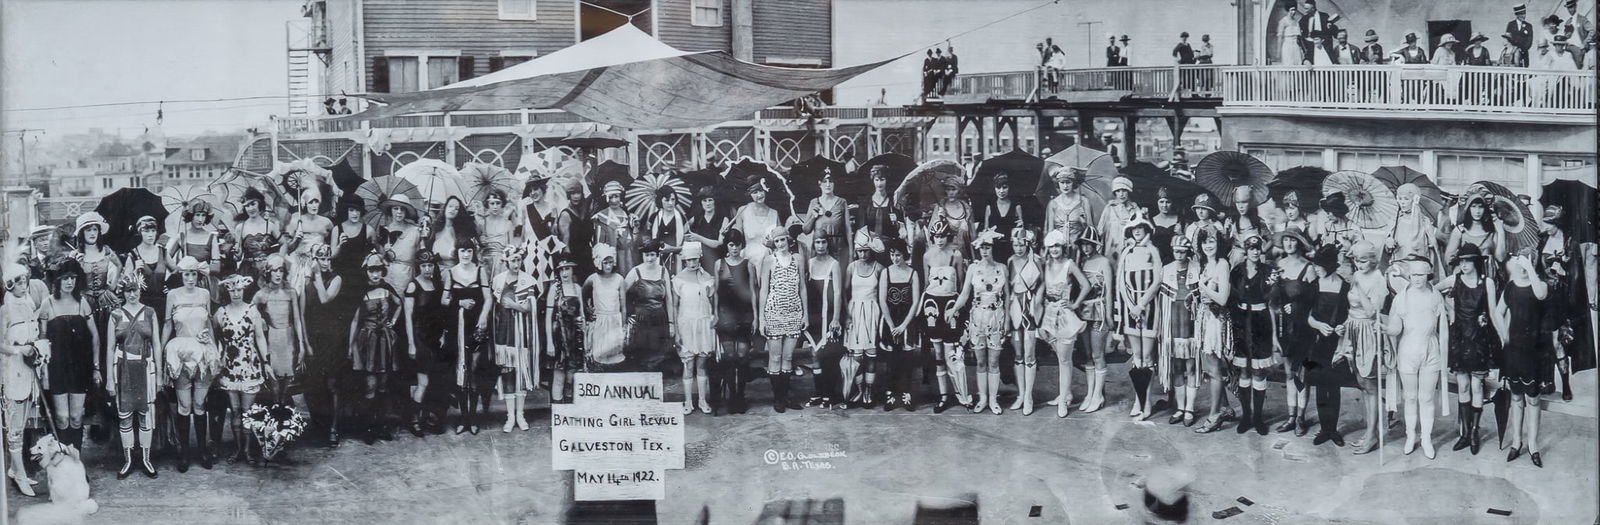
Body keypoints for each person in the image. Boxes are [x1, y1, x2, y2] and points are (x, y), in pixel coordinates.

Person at [1436, 244, 1499, 455]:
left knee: (1477, 386)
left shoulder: (1487, 283)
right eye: (1461, 261)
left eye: (1467, 261)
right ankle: (1464, 434)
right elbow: (1433, 290)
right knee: (1463, 386)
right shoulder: (1454, 280)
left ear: (1476, 262)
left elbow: (1493, 312)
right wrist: (1449, 308)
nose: (1463, 265)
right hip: (1460, 338)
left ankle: (1474, 432)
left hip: (1479, 340)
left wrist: (1502, 336)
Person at [1385, 257, 1449, 459]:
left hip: (1431, 349)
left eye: (1422, 274)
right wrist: (1384, 328)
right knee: (1410, 397)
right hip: (1408, 351)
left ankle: (1427, 438)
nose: (1417, 278)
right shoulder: (1401, 298)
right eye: (1413, 275)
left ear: (1428, 274)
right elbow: (1396, 328)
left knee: (1427, 397)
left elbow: (1443, 326)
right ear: (1409, 275)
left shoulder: (1435, 296)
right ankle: (1410, 436)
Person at [165, 256, 218, 472]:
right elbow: (168, 324)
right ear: (181, 275)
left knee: (199, 404)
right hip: (180, 350)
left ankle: (202, 450)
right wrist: (162, 352)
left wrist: (214, 349)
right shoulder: (173, 295)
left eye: (193, 274)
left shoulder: (205, 294)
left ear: (198, 275)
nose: (190, 278)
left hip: (202, 350)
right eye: (186, 274)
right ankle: (184, 452)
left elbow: (209, 324)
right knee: (184, 405)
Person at [41, 259, 99, 452]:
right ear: (57, 280)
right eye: (65, 278)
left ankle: (76, 463)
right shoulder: (47, 304)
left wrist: (96, 367)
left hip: (79, 369)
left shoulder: (82, 303)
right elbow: (41, 343)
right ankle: (63, 463)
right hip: (56, 369)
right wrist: (45, 374)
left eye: (73, 278)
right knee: (62, 418)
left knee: (76, 418)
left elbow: (95, 337)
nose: (69, 282)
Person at [107, 271, 160, 478]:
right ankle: (128, 460)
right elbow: (110, 348)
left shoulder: (150, 312)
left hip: (146, 368)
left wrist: (160, 376)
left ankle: (146, 459)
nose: (132, 295)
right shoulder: (115, 315)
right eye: (128, 291)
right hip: (123, 369)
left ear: (141, 290)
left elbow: (156, 344)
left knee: (145, 415)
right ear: (123, 292)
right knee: (125, 417)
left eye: (135, 290)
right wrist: (110, 380)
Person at [950, 230, 1008, 414]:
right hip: (977, 317)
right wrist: (953, 310)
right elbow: (965, 294)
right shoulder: (974, 269)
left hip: (996, 316)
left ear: (993, 248)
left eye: (988, 247)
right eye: (982, 247)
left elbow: (1008, 296)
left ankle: (993, 399)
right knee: (980, 361)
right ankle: (982, 398)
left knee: (994, 361)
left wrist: (1006, 319)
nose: (984, 251)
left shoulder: (1002, 268)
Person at [1344, 242, 1392, 454]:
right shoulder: (1356, 275)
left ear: (1373, 260)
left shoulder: (1379, 279)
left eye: (1363, 260)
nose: (1359, 264)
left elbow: (1372, 311)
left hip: (1368, 332)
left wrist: (1359, 287)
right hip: (1353, 329)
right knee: (1363, 384)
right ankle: (1369, 431)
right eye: (1356, 260)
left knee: (1371, 386)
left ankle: (1373, 435)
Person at [1268, 229, 1316, 436]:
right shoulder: (1277, 267)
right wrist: (1273, 334)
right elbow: (1272, 303)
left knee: (1302, 373)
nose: (1288, 244)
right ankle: (1290, 416)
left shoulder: (1309, 268)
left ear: (1299, 243)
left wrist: (1298, 309)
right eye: (1285, 240)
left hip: (1303, 327)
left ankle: (1300, 419)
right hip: (1283, 326)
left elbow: (1316, 302)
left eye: (1292, 240)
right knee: (1289, 373)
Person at [214, 274, 266, 464]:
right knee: (235, 410)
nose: (236, 293)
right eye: (232, 290)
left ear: (243, 290)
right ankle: (237, 450)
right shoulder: (221, 313)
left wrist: (266, 361)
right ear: (227, 291)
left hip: (249, 365)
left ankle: (247, 450)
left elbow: (260, 337)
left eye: (239, 289)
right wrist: (219, 358)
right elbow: (216, 338)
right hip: (230, 367)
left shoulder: (252, 311)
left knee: (247, 410)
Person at [352, 252, 403, 444]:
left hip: (385, 340)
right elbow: (356, 319)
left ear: (383, 271)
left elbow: (400, 304)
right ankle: (368, 427)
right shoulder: (362, 291)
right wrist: (353, 345)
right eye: (372, 271)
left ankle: (381, 425)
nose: (375, 275)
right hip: (369, 340)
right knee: (370, 385)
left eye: (378, 270)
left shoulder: (387, 288)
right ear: (367, 272)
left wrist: (393, 321)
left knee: (383, 385)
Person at [305, 243, 354, 444]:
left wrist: (316, 276)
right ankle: (319, 424)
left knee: (332, 383)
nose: (325, 262)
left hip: (332, 335)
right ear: (314, 259)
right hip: (313, 333)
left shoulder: (336, 278)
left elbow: (325, 299)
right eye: (320, 258)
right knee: (312, 383)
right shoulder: (308, 279)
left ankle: (334, 426)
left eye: (327, 258)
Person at [2, 262, 44, 494]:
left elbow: (33, 336)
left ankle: (15, 469)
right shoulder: (5, 310)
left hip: (29, 370)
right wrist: (20, 351)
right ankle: (19, 474)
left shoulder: (29, 306)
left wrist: (35, 350)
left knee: (25, 419)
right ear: (9, 285)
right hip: (13, 371)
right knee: (15, 426)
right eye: (17, 281)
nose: (22, 284)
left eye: (24, 279)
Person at [757, 227, 807, 413]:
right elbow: (763, 290)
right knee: (775, 357)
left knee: (788, 357)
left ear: (788, 240)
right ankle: (777, 398)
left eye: (782, 240)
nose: (780, 244)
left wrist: (805, 313)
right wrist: (762, 319)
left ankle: (786, 397)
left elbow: (802, 287)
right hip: (774, 312)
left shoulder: (798, 259)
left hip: (794, 312)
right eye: (776, 241)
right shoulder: (769, 260)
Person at [1303, 245, 1350, 446]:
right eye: (1315, 264)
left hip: (1337, 343)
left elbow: (1350, 315)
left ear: (1331, 265)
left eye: (1320, 265)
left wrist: (1343, 327)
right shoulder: (1314, 285)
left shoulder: (1345, 287)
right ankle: (1324, 429)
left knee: (1335, 385)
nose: (1317, 268)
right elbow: (1307, 316)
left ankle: (1333, 430)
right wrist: (1318, 325)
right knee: (1320, 385)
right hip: (1317, 342)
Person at [1190, 227, 1235, 433]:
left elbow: (1223, 299)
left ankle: (1214, 415)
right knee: (1209, 367)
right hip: (1204, 317)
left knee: (1214, 369)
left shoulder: (1223, 264)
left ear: (1219, 244)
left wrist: (1204, 287)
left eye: (1212, 242)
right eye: (1204, 242)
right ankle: (1225, 407)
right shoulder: (1205, 264)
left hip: (1216, 320)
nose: (1208, 246)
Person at [1119, 218, 1164, 420]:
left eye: (1140, 228)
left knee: (1147, 358)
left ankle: (1147, 402)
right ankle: (1139, 398)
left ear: (1146, 229)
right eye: (1134, 228)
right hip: (1131, 308)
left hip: (1148, 306)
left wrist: (1141, 304)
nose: (1137, 231)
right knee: (1136, 358)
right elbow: (1121, 281)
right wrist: (1130, 305)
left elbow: (1158, 279)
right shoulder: (1126, 251)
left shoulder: (1152, 250)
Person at [921, 220, 967, 412]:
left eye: (942, 236)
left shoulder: (955, 255)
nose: (939, 240)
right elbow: (926, 283)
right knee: (938, 352)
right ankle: (943, 395)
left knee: (951, 353)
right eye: (936, 236)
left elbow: (961, 284)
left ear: (948, 236)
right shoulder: (927, 256)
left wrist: (957, 308)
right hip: (932, 305)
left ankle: (961, 393)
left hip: (950, 304)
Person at [1231, 236, 1275, 435]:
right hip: (1241, 322)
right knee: (1244, 371)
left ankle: (1258, 417)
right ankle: (1245, 416)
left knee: (1258, 370)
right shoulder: (1237, 271)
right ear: (1245, 250)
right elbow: (1230, 298)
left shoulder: (1268, 272)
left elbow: (1273, 301)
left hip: (1261, 322)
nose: (1255, 252)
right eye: (1251, 249)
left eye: (1258, 249)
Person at [490, 246, 537, 432]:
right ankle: (510, 416)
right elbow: (495, 308)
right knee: (508, 373)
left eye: (519, 260)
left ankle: (520, 415)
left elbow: (530, 307)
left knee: (521, 373)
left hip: (522, 333)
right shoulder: (498, 281)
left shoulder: (528, 280)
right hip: (503, 332)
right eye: (513, 260)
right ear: (506, 261)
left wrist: (515, 306)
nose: (516, 264)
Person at [402, 251, 449, 435]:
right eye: (424, 266)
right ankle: (413, 419)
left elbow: (441, 314)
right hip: (420, 338)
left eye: (430, 265)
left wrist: (443, 335)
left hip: (435, 339)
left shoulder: (437, 284)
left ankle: (428, 417)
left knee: (435, 380)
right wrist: (411, 344)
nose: (428, 269)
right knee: (423, 382)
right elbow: (408, 317)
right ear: (418, 267)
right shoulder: (413, 286)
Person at [255, 254, 307, 412]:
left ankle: (284, 418)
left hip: (289, 339)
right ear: (267, 272)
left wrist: (302, 345)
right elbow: (250, 314)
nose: (278, 274)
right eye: (274, 270)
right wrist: (261, 322)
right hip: (273, 339)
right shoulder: (262, 294)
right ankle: (275, 415)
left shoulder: (290, 292)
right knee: (275, 386)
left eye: (281, 270)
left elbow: (297, 320)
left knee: (287, 384)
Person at [1070, 222, 1114, 414]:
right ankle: (1090, 393)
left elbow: (1110, 292)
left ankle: (1099, 394)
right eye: (1083, 244)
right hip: (1083, 313)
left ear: (1095, 244)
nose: (1086, 247)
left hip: (1099, 311)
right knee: (1088, 355)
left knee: (1098, 355)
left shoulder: (1104, 262)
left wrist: (1111, 315)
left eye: (1089, 243)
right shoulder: (1081, 262)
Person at [1158, 235, 1201, 426]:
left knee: (1191, 366)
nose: (1179, 254)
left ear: (1188, 252)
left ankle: (1190, 408)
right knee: (1176, 367)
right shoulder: (1166, 270)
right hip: (1172, 323)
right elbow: (1160, 301)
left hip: (1191, 323)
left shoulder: (1197, 269)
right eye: (1176, 251)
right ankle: (1180, 407)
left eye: (1183, 251)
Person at [840, 232, 886, 407]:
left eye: (866, 251)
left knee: (871, 355)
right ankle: (858, 390)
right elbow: (845, 292)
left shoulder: (879, 268)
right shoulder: (851, 267)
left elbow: (883, 295)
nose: (863, 254)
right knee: (856, 356)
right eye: (860, 251)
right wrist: (848, 315)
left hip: (873, 312)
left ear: (871, 250)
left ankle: (869, 391)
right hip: (855, 312)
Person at [671, 242, 717, 414]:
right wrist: (676, 330)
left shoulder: (707, 278)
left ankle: (703, 401)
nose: (692, 263)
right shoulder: (678, 280)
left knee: (702, 364)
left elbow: (713, 302)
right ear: (684, 260)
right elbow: (675, 306)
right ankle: (688, 401)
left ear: (699, 259)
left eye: (695, 260)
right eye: (689, 260)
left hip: (703, 324)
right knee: (688, 365)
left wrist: (713, 319)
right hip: (686, 325)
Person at [1006, 228, 1047, 416]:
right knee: (1018, 354)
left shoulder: (1037, 260)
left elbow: (1044, 283)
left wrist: (1037, 301)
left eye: (1022, 244)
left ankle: (1029, 396)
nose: (1018, 248)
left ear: (1027, 244)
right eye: (1015, 244)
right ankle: (1021, 395)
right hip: (1015, 307)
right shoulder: (1010, 261)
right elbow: (1008, 289)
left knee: (1030, 354)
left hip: (1030, 308)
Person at [713, 232, 755, 414]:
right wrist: (714, 313)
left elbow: (754, 291)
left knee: (743, 355)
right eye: (731, 244)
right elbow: (715, 292)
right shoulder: (719, 264)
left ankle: (741, 395)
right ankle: (732, 396)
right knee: (729, 356)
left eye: (738, 244)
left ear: (742, 245)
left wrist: (757, 317)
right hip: (725, 315)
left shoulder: (749, 265)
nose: (735, 248)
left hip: (745, 315)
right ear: (727, 246)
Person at [802, 233, 844, 409]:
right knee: (814, 354)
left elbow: (838, 293)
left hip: (829, 316)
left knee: (828, 355)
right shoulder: (809, 263)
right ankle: (818, 393)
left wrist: (835, 318)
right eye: (817, 242)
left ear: (828, 243)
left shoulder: (834, 264)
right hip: (813, 315)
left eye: (823, 242)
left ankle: (829, 394)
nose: (820, 245)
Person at [625, 240, 674, 374]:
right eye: (646, 255)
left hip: (660, 319)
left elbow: (669, 298)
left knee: (658, 357)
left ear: (657, 255)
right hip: (642, 320)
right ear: (642, 256)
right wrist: (627, 314)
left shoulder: (664, 272)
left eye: (652, 254)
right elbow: (620, 294)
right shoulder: (635, 272)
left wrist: (671, 323)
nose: (650, 258)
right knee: (642, 357)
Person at [544, 257, 584, 405]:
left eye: (567, 268)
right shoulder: (555, 289)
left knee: (571, 376)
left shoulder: (577, 288)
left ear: (572, 269)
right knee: (559, 374)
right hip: (559, 336)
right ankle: (557, 414)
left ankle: (568, 413)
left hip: (575, 336)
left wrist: (585, 340)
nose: (564, 272)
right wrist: (549, 343)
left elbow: (582, 317)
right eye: (561, 269)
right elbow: (548, 317)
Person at [584, 244, 628, 371]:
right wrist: (588, 309)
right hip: (600, 321)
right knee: (599, 355)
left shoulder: (619, 279)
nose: (608, 266)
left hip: (615, 320)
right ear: (599, 263)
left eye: (610, 262)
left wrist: (623, 326)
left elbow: (623, 307)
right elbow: (583, 294)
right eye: (605, 263)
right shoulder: (593, 279)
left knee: (614, 357)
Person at [286, 190, 334, 290]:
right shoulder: (296, 221)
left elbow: (330, 244)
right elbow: (288, 248)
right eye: (310, 202)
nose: (314, 205)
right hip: (301, 261)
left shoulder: (326, 222)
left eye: (316, 202)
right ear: (304, 204)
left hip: (320, 261)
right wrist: (296, 239)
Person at [805, 168, 854, 260]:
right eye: (824, 181)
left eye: (830, 181)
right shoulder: (814, 202)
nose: (828, 185)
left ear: (834, 183)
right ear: (819, 183)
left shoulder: (842, 202)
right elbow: (806, 230)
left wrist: (851, 253)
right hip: (820, 247)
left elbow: (848, 229)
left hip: (838, 248)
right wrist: (813, 217)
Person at [123, 216, 169, 317]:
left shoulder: (163, 252)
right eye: (146, 231)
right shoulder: (133, 255)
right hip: (141, 304)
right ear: (140, 232)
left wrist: (170, 285)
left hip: (162, 303)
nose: (150, 235)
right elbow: (125, 283)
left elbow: (177, 271)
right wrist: (135, 271)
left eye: (153, 231)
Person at [731, 179, 781, 265]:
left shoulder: (774, 213)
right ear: (749, 195)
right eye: (755, 192)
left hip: (771, 257)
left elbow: (781, 238)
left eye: (761, 190)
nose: (759, 195)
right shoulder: (743, 210)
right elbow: (737, 237)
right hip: (749, 257)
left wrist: (772, 243)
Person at [381, 195, 423, 293]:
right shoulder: (384, 230)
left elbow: (421, 254)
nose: (399, 212)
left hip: (406, 274)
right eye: (396, 208)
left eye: (402, 209)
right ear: (391, 210)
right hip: (387, 274)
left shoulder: (415, 231)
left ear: (406, 212)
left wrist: (425, 236)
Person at [479, 189, 522, 277]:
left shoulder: (508, 223)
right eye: (492, 203)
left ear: (502, 204)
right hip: (486, 262)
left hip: (502, 263)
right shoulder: (482, 223)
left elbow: (511, 246)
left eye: (498, 203)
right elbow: (478, 244)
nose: (495, 207)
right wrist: (481, 241)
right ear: (487, 204)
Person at [1099, 177, 1143, 259]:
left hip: (1130, 248)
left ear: (1129, 191)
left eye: (1124, 190)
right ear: (1115, 192)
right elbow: (1100, 231)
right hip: (1112, 250)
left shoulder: (1134, 209)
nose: (1121, 194)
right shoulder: (1109, 208)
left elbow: (1142, 229)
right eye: (1118, 191)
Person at [685, 187, 727, 273]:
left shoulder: (724, 219)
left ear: (715, 201)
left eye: (710, 200)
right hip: (699, 259)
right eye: (704, 200)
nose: (707, 203)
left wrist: (698, 238)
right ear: (701, 202)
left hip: (716, 258)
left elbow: (719, 244)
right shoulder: (696, 217)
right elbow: (682, 231)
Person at [1224, 186, 1267, 266]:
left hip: (1255, 255)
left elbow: (1270, 239)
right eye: (1238, 202)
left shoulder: (1259, 222)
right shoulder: (1231, 222)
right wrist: (1226, 231)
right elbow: (1226, 243)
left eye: (1244, 202)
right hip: (1238, 258)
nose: (1241, 206)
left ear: (1250, 203)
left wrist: (1263, 249)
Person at [1045, 167, 1093, 234]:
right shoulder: (1053, 203)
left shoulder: (1083, 201)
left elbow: (1091, 229)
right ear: (1058, 183)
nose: (1065, 186)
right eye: (1062, 182)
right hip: (1058, 243)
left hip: (1078, 242)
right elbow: (1050, 231)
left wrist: (1083, 222)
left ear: (1073, 183)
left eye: (1068, 182)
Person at [1150, 187, 1185, 264]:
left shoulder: (1180, 220)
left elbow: (1188, 242)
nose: (1164, 205)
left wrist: (1181, 234)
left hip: (1177, 260)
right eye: (1161, 202)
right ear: (1157, 203)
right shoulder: (1151, 221)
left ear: (1172, 203)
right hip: (1157, 261)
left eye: (1168, 202)